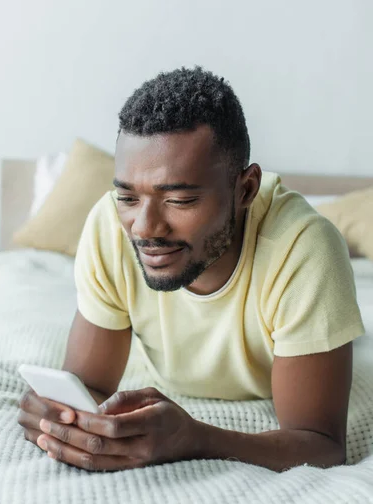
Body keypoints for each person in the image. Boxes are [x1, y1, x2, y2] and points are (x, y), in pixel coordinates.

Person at [18, 66, 365, 473]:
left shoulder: (304, 249)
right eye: (128, 196)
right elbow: (88, 389)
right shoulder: (109, 226)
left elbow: (321, 445)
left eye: (179, 200)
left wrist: (194, 439)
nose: (144, 228)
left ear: (246, 190)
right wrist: (61, 417)